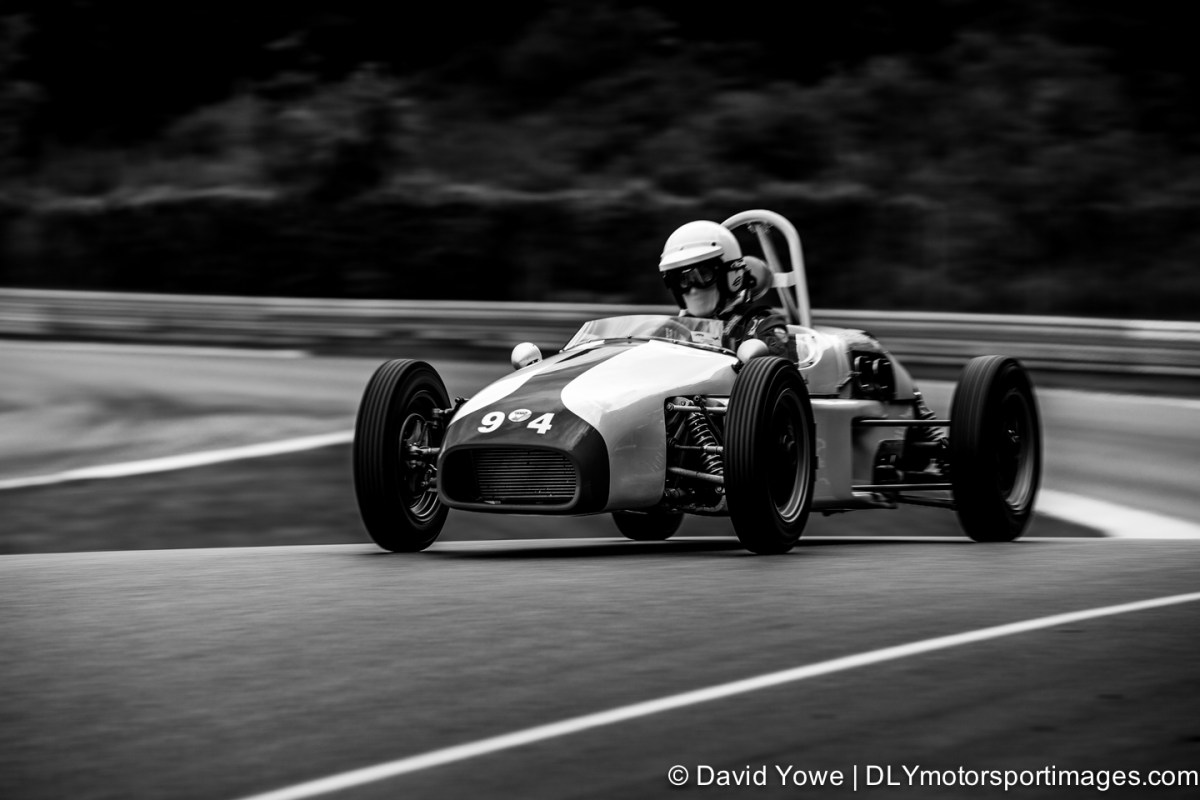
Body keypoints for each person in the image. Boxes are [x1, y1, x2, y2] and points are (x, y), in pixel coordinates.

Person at [658, 219, 946, 465]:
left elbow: (776, 364)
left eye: (702, 275)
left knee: (866, 352)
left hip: (766, 429)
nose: (691, 287)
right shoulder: (675, 332)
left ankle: (934, 436)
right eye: (679, 279)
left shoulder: (760, 322)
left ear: (731, 276)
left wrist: (751, 353)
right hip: (706, 424)